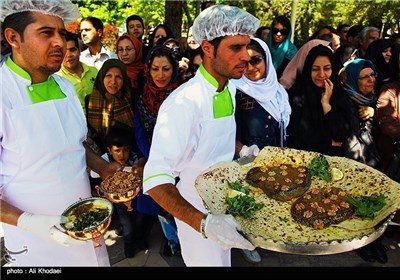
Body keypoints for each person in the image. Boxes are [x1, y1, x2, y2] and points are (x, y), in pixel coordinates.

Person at [0, 0, 121, 266]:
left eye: (62, 34)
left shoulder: (64, 87)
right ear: (13, 38)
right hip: (32, 239)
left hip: (84, 222)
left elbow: (74, 144)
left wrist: (102, 167)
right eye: (46, 33)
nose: (60, 43)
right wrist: (29, 222)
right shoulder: (3, 93)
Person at [142, 4, 260, 266]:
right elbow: (154, 179)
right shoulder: (184, 103)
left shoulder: (227, 88)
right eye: (235, 48)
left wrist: (240, 150)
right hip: (196, 210)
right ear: (207, 48)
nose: (246, 56)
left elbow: (213, 134)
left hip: (226, 200)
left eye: (246, 46)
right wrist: (204, 223)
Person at [231, 37, 291, 263]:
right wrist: (243, 149)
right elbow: (225, 130)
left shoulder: (278, 92)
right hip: (246, 158)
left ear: (266, 59)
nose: (251, 67)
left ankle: (266, 234)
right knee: (247, 203)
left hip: (274, 157)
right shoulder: (234, 91)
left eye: (256, 60)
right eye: (244, 62)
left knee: (269, 199)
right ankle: (246, 241)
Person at [134, 45, 181, 256]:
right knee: (161, 203)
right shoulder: (143, 99)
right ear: (148, 70)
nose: (160, 75)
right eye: (154, 69)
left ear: (174, 70)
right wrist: (153, 156)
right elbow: (139, 131)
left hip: (180, 160)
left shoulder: (183, 96)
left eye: (166, 69)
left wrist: (173, 157)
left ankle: (186, 241)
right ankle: (172, 241)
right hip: (154, 157)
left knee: (180, 202)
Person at [286, 44, 352, 156]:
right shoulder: (297, 95)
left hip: (334, 163)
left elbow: (341, 135)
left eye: (327, 68)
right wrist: (327, 142)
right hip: (301, 160)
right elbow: (295, 136)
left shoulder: (340, 95)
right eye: (315, 69)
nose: (321, 74)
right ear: (308, 69)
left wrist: (326, 104)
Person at [90, 126, 146, 258]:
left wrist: (140, 165)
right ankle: (128, 243)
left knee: (140, 219)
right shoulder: (105, 160)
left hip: (136, 197)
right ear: (109, 150)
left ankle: (139, 238)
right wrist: (103, 168)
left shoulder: (133, 158)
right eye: (117, 151)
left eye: (126, 150)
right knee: (127, 225)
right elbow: (93, 173)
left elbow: (142, 160)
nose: (122, 155)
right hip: (119, 201)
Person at [57, 31, 98, 114]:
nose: (69, 55)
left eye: (72, 50)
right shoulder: (57, 79)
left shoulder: (94, 71)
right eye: (64, 51)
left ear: (79, 51)